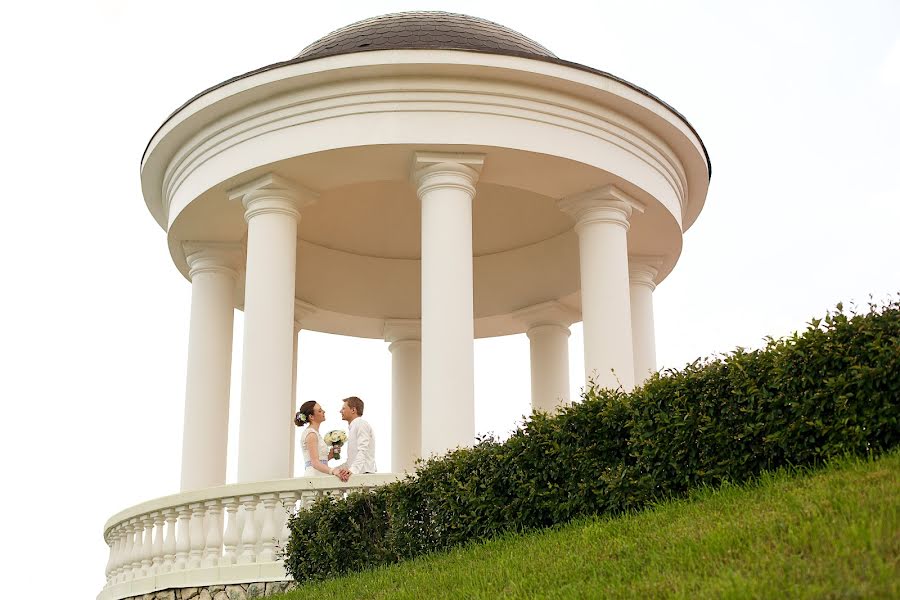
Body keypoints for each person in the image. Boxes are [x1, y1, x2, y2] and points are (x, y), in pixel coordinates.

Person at [294, 400, 345, 478]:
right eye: (320, 411)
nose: (324, 411)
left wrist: (330, 456)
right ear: (311, 417)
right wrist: (333, 471)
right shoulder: (311, 434)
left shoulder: (315, 433)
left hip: (320, 474)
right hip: (314, 475)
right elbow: (314, 463)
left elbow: (318, 460)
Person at [334, 396, 376, 481]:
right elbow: (352, 459)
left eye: (343, 408)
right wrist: (335, 470)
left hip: (364, 474)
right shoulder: (354, 426)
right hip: (358, 474)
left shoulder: (361, 424)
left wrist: (352, 470)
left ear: (353, 410)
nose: (340, 411)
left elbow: (363, 450)